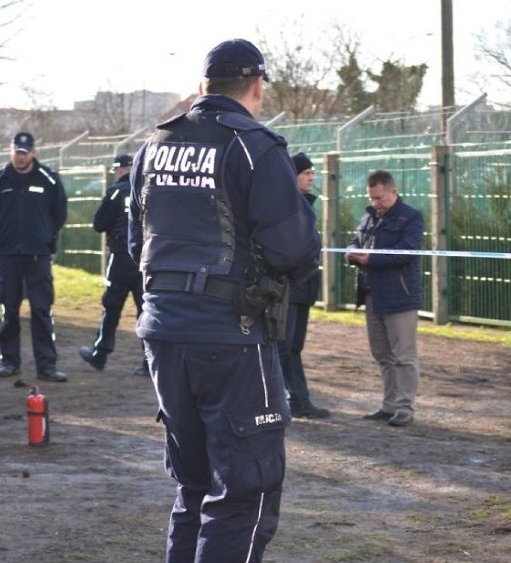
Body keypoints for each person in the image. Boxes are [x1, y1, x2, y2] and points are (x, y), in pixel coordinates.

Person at [128, 39, 320, 562]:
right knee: (243, 490)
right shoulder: (254, 146)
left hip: (162, 332)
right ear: (257, 87)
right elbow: (294, 249)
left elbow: (134, 243)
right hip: (230, 337)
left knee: (193, 486)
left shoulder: (154, 146)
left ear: (202, 87)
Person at [0, 132, 68, 383]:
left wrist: (44, 236)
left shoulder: (49, 180)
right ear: (11, 152)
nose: (20, 157)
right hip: (9, 254)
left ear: (33, 153)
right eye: (17, 152)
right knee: (9, 311)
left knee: (41, 310)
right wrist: (2, 235)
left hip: (37, 255)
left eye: (25, 152)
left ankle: (47, 366)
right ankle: (9, 362)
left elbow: (59, 214)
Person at [345, 170, 423, 428]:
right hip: (372, 294)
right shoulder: (368, 215)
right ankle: (388, 405)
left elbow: (408, 251)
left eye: (380, 198)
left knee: (404, 355)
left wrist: (372, 259)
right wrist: (351, 252)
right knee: (382, 354)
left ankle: (405, 408)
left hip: (399, 296)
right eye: (372, 197)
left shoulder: (411, 217)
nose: (376, 202)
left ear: (393, 192)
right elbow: (356, 239)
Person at [78, 153, 148, 376]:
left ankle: (100, 354)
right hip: (146, 258)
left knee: (111, 308)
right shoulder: (149, 190)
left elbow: (99, 224)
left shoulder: (116, 191)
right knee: (147, 311)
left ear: (120, 170)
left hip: (120, 257)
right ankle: (150, 361)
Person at [277, 152, 329, 419]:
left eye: (312, 173)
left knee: (293, 347)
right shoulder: (289, 206)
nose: (311, 178)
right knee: (283, 347)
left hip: (303, 288)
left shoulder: (305, 204)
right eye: (305, 173)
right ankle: (283, 399)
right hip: (290, 289)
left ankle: (298, 400)